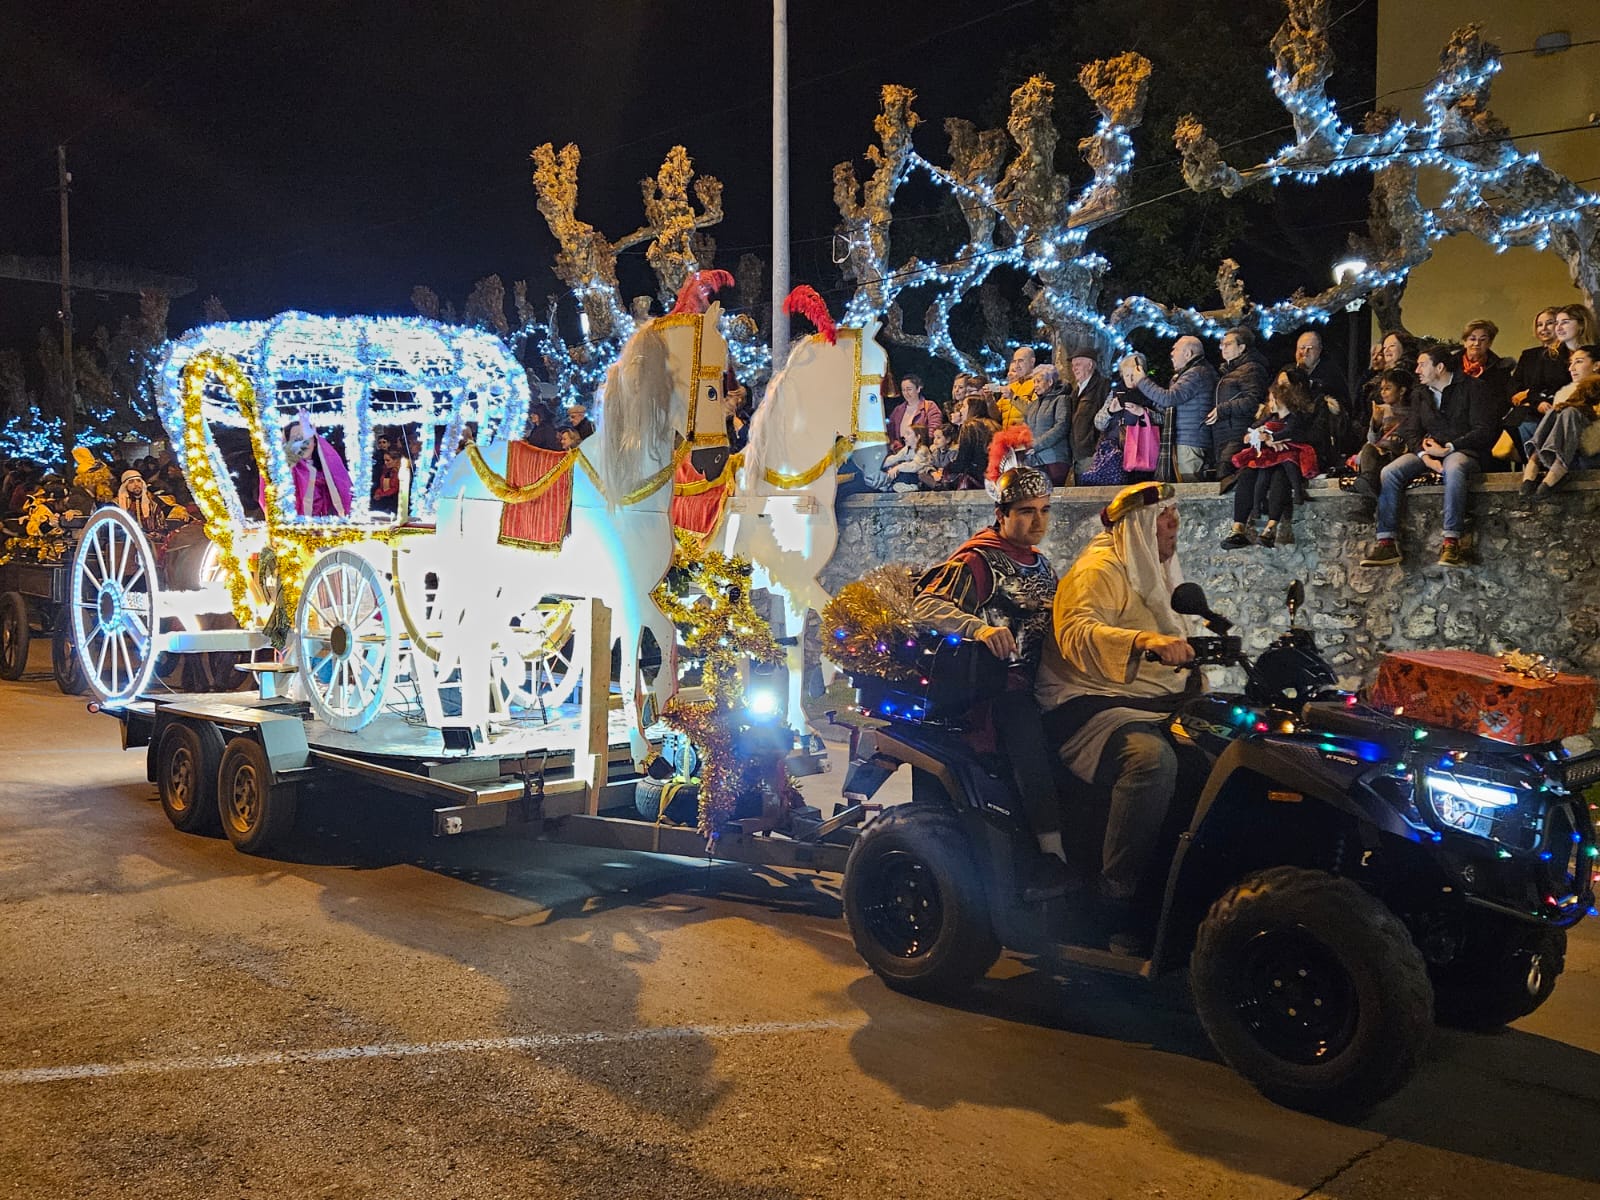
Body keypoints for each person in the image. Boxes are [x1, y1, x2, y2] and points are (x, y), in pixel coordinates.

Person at [1036, 482, 1196, 952]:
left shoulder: (1154, 568)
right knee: (1151, 763)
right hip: (1087, 701)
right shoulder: (1098, 570)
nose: (1174, 526)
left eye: (1174, 515)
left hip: (1148, 698)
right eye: (1164, 517)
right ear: (1140, 526)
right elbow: (1078, 633)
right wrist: (1142, 642)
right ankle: (1115, 895)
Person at [912, 465, 1073, 898]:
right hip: (993, 693)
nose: (1037, 521)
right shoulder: (979, 560)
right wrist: (978, 628)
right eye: (1025, 511)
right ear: (1001, 513)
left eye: (1044, 511)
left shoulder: (1043, 565)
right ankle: (1048, 857)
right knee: (1028, 738)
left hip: (1041, 685)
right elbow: (925, 606)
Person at [1360, 342, 1504, 568]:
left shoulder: (1473, 388)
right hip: (1430, 451)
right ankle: (1386, 541)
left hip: (1463, 450)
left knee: (1454, 468)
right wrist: (1424, 455)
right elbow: (1411, 430)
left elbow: (1484, 430)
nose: (1417, 371)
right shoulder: (1421, 394)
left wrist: (1449, 448)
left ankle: (1451, 542)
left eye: (1422, 365)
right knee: (1390, 472)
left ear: (1440, 368)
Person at [1220, 367, 1320, 548]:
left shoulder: (1305, 414)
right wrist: (1264, 439)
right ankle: (1238, 528)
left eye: (1286, 385)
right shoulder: (1269, 415)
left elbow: (1304, 434)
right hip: (1265, 458)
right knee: (1247, 475)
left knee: (1278, 479)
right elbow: (1253, 431)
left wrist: (1276, 439)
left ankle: (1270, 528)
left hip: (1287, 460)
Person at [1126, 335, 1217, 481]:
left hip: (1190, 442)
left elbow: (1169, 398)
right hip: (1187, 440)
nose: (1171, 354)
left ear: (1188, 354)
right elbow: (1167, 404)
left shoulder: (1196, 373)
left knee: (1189, 491)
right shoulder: (1189, 374)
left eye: (1175, 349)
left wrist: (1142, 381)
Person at [1520, 345, 1600, 497]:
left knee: (1569, 411)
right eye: (1571, 363)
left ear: (1596, 365)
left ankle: (1558, 469)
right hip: (1563, 454)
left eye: (1579, 361)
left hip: (1590, 455)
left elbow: (1594, 439)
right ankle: (1534, 461)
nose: (1571, 368)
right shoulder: (1564, 392)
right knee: (1556, 410)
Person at [1344, 367, 1418, 511]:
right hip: (1379, 453)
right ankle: (1367, 487)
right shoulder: (1382, 409)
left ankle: (1367, 505)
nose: (1383, 392)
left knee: (1374, 470)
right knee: (1368, 450)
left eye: (1388, 388)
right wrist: (1376, 423)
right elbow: (1372, 439)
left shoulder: (1414, 411)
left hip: (1399, 453)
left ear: (1402, 390)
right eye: (1382, 388)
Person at [1208, 326, 1271, 482]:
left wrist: (1222, 409)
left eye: (1228, 344)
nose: (1223, 348)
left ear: (1242, 347)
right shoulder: (1229, 372)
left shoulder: (1252, 369)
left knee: (1227, 475)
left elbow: (1253, 401)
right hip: (1223, 435)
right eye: (1222, 344)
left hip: (1238, 434)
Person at [261, 414, 354, 519]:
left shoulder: (327, 470)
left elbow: (346, 495)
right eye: (296, 439)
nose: (302, 443)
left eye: (307, 438)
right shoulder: (286, 469)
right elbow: (275, 473)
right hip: (292, 529)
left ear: (315, 442)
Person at [1020, 362, 1072, 486]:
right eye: (1034, 382)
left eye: (1038, 381)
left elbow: (1061, 426)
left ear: (1050, 382)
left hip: (1054, 459)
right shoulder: (1032, 405)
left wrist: (1036, 445)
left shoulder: (1061, 399)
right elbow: (1025, 427)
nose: (1035, 385)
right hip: (1033, 460)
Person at [1066, 346, 1112, 481]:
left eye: (1078, 364)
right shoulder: (1075, 391)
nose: (1074, 368)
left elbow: (1107, 420)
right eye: (1073, 365)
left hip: (1093, 454)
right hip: (1077, 455)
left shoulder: (1103, 386)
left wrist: (1098, 447)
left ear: (1090, 364)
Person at [885, 375, 943, 452]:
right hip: (901, 452)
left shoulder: (929, 406)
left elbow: (934, 429)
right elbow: (890, 430)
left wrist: (919, 444)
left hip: (922, 451)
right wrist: (894, 443)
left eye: (909, 389)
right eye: (903, 390)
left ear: (918, 389)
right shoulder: (898, 410)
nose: (906, 393)